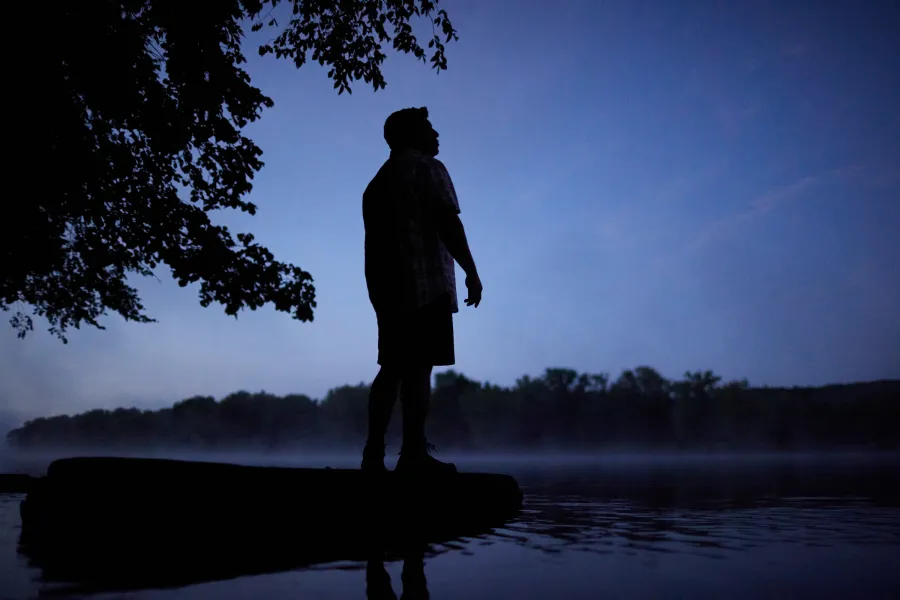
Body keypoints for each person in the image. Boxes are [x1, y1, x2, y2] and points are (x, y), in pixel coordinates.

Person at [361, 107, 482, 474]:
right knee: (418, 370)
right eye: (429, 127)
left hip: (386, 288)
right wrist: (472, 273)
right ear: (411, 134)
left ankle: (373, 454)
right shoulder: (428, 168)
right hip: (426, 284)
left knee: (392, 367)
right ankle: (413, 454)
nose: (436, 133)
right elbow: (448, 221)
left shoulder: (377, 182)